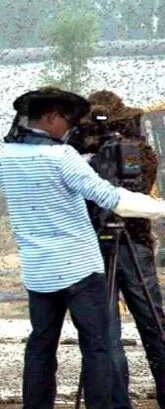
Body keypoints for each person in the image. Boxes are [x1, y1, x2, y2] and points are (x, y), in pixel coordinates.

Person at [0, 87, 165, 409]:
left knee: (41, 346)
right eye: (67, 120)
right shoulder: (62, 157)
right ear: (50, 116)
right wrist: (161, 208)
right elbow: (113, 199)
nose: (71, 128)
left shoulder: (3, 159)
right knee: (98, 345)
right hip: (80, 269)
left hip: (38, 272)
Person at [77, 90, 165, 409]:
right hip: (136, 242)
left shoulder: (77, 154)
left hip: (93, 243)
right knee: (155, 324)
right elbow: (141, 191)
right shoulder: (140, 150)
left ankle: (114, 403)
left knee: (105, 332)